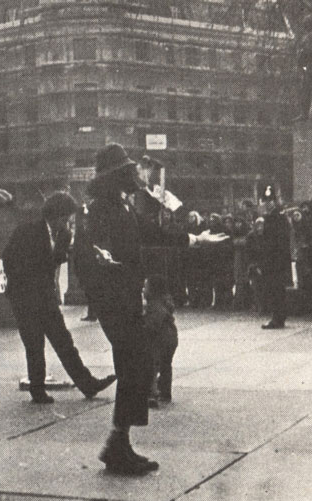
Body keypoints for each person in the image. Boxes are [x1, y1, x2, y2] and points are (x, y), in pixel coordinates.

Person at [85, 144, 226, 475]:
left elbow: (152, 232)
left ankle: (119, 443)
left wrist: (194, 239)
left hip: (124, 300)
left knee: (135, 367)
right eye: (131, 170)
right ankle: (117, 445)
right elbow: (98, 256)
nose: (137, 174)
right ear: (117, 175)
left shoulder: (119, 206)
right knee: (136, 365)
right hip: (117, 303)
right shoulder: (105, 210)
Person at [2, 191, 117, 405]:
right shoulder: (28, 230)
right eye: (65, 219)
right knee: (34, 344)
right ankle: (38, 390)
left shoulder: (62, 234)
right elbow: (8, 259)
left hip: (45, 296)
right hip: (25, 298)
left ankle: (88, 384)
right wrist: (26, 280)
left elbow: (58, 259)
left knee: (64, 342)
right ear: (54, 215)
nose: (67, 223)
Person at [143, 275, 178, 408]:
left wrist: (144, 326)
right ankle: (165, 392)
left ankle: (152, 393)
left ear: (152, 290)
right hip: (172, 337)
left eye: (145, 287)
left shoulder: (155, 305)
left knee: (153, 366)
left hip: (160, 340)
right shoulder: (165, 302)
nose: (143, 290)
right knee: (166, 365)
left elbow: (154, 324)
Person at [258, 186, 291, 329]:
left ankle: (278, 318)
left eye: (270, 201)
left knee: (277, 290)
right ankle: (277, 317)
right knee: (274, 290)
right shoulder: (269, 217)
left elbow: (280, 241)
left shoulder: (279, 217)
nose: (268, 204)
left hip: (277, 260)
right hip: (271, 260)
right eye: (266, 201)